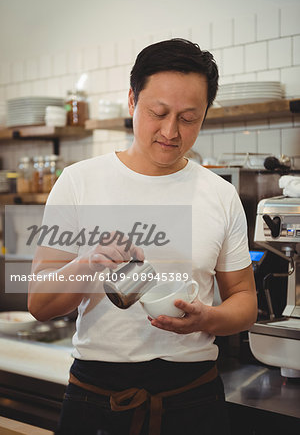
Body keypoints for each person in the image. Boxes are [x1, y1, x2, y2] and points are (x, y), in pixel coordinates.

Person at [28, 38, 257, 435]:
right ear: (132, 100)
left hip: (195, 397)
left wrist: (211, 318)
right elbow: (40, 302)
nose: (171, 131)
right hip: (95, 396)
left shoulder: (220, 194)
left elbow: (245, 301)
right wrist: (89, 263)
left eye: (189, 118)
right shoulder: (79, 182)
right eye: (158, 112)